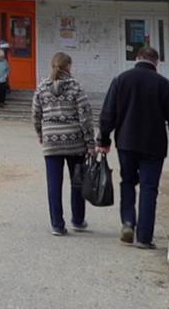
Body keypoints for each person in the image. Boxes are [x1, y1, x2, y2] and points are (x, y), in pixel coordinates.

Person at [97, 46, 169, 252]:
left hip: (126, 142)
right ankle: (144, 237)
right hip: (154, 145)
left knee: (128, 181)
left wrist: (103, 139)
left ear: (136, 59)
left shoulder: (121, 80)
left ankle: (128, 222)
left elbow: (108, 113)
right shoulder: (165, 85)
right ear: (156, 62)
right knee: (149, 189)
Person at [32, 52, 98, 236]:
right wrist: (90, 143)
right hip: (75, 142)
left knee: (54, 184)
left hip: (51, 142)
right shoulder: (76, 87)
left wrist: (40, 133)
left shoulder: (41, 87)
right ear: (68, 66)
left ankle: (57, 225)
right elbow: (85, 116)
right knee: (77, 181)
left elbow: (36, 114)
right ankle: (77, 220)